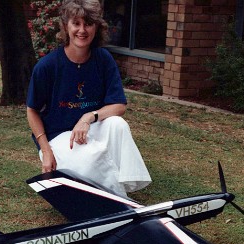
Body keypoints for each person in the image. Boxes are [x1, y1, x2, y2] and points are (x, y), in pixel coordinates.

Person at [26, 0, 151, 196]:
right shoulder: (48, 66)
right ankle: (118, 199)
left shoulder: (103, 59)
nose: (82, 30)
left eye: (88, 24)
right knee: (93, 157)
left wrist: (88, 117)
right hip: (58, 138)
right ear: (66, 27)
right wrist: (46, 151)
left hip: (89, 129)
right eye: (76, 23)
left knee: (118, 125)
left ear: (97, 27)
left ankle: (122, 184)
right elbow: (31, 110)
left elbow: (119, 106)